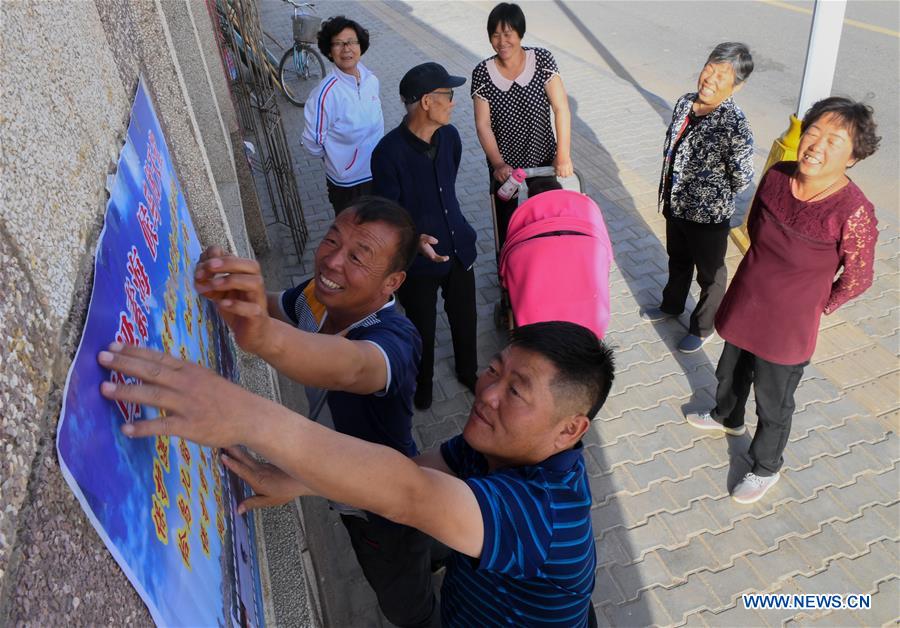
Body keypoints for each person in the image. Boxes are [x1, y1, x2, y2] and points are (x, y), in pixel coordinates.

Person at [99, 321, 614, 627]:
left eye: (517, 389)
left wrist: (244, 415)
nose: (488, 392)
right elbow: (415, 471)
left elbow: (407, 494)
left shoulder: (546, 515)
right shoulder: (491, 447)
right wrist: (299, 481)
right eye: (495, 369)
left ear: (569, 429)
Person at [194, 198, 440, 627]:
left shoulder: (396, 341)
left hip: (379, 506)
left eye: (359, 256)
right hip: (342, 482)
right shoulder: (315, 296)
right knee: (425, 542)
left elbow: (349, 365)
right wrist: (229, 283)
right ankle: (438, 541)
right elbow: (274, 307)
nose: (332, 260)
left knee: (405, 604)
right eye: (332, 239)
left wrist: (263, 337)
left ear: (392, 282)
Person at [686, 97, 881, 504]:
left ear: (853, 157)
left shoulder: (854, 211)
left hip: (790, 323)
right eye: (814, 131)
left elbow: (859, 277)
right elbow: (756, 228)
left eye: (834, 140)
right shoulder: (776, 175)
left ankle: (765, 466)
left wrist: (817, 304)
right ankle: (727, 417)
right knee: (730, 371)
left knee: (774, 401)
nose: (817, 145)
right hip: (748, 299)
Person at [371, 62, 478, 410]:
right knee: (422, 328)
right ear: (427, 102)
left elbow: (448, 184)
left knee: (466, 317)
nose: (453, 102)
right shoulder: (387, 153)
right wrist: (414, 240)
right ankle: (423, 384)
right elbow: (389, 214)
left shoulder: (450, 138)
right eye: (448, 95)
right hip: (418, 262)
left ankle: (469, 372)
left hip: (458, 245)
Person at [641, 42, 755, 353]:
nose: (710, 79)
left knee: (711, 275)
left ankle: (703, 327)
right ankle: (672, 305)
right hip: (675, 202)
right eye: (710, 68)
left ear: (737, 86)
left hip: (708, 216)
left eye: (722, 75)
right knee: (678, 260)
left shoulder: (735, 126)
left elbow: (743, 178)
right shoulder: (684, 103)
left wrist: (711, 190)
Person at [471, 2, 573, 250]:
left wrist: (563, 156)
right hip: (505, 165)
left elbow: (561, 109)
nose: (502, 41)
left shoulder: (542, 60)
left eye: (508, 34)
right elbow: (482, 125)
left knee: (549, 216)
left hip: (543, 158)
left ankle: (550, 260)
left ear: (520, 33)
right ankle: (507, 269)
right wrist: (497, 163)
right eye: (495, 35)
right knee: (506, 224)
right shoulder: (482, 73)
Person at [301, 16, 383, 215]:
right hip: (349, 185)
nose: (346, 48)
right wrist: (340, 161)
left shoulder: (371, 80)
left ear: (360, 45)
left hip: (379, 173)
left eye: (352, 42)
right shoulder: (325, 94)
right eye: (338, 44)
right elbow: (312, 142)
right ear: (329, 51)